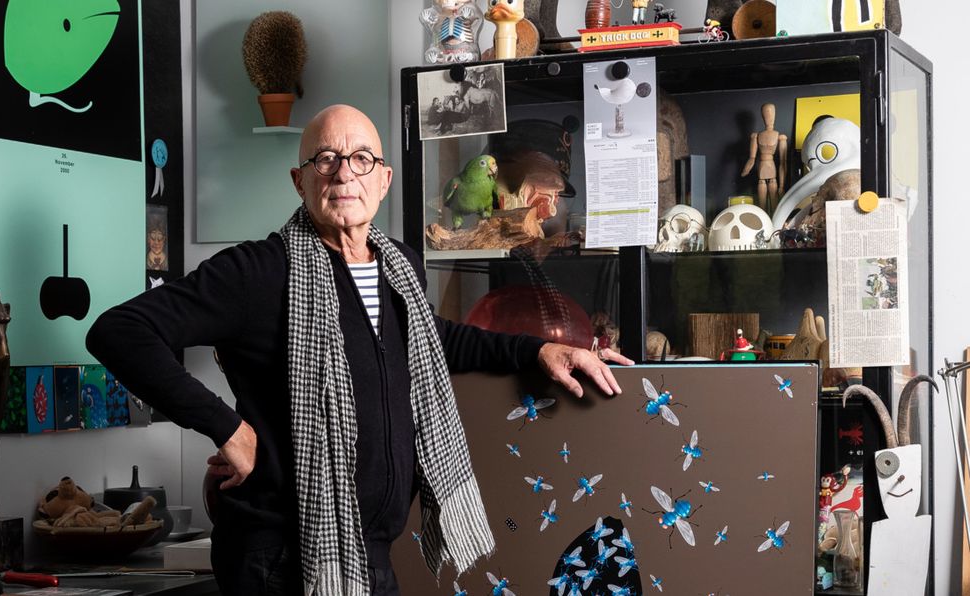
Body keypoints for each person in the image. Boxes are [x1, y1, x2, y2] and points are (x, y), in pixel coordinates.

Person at [85, 105, 632, 596]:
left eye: (362, 158)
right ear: (299, 181)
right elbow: (120, 331)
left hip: (370, 559)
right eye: (326, 159)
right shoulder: (259, 271)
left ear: (385, 180)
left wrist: (539, 353)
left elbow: (431, 340)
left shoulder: (400, 267)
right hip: (278, 561)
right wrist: (226, 427)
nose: (344, 172)